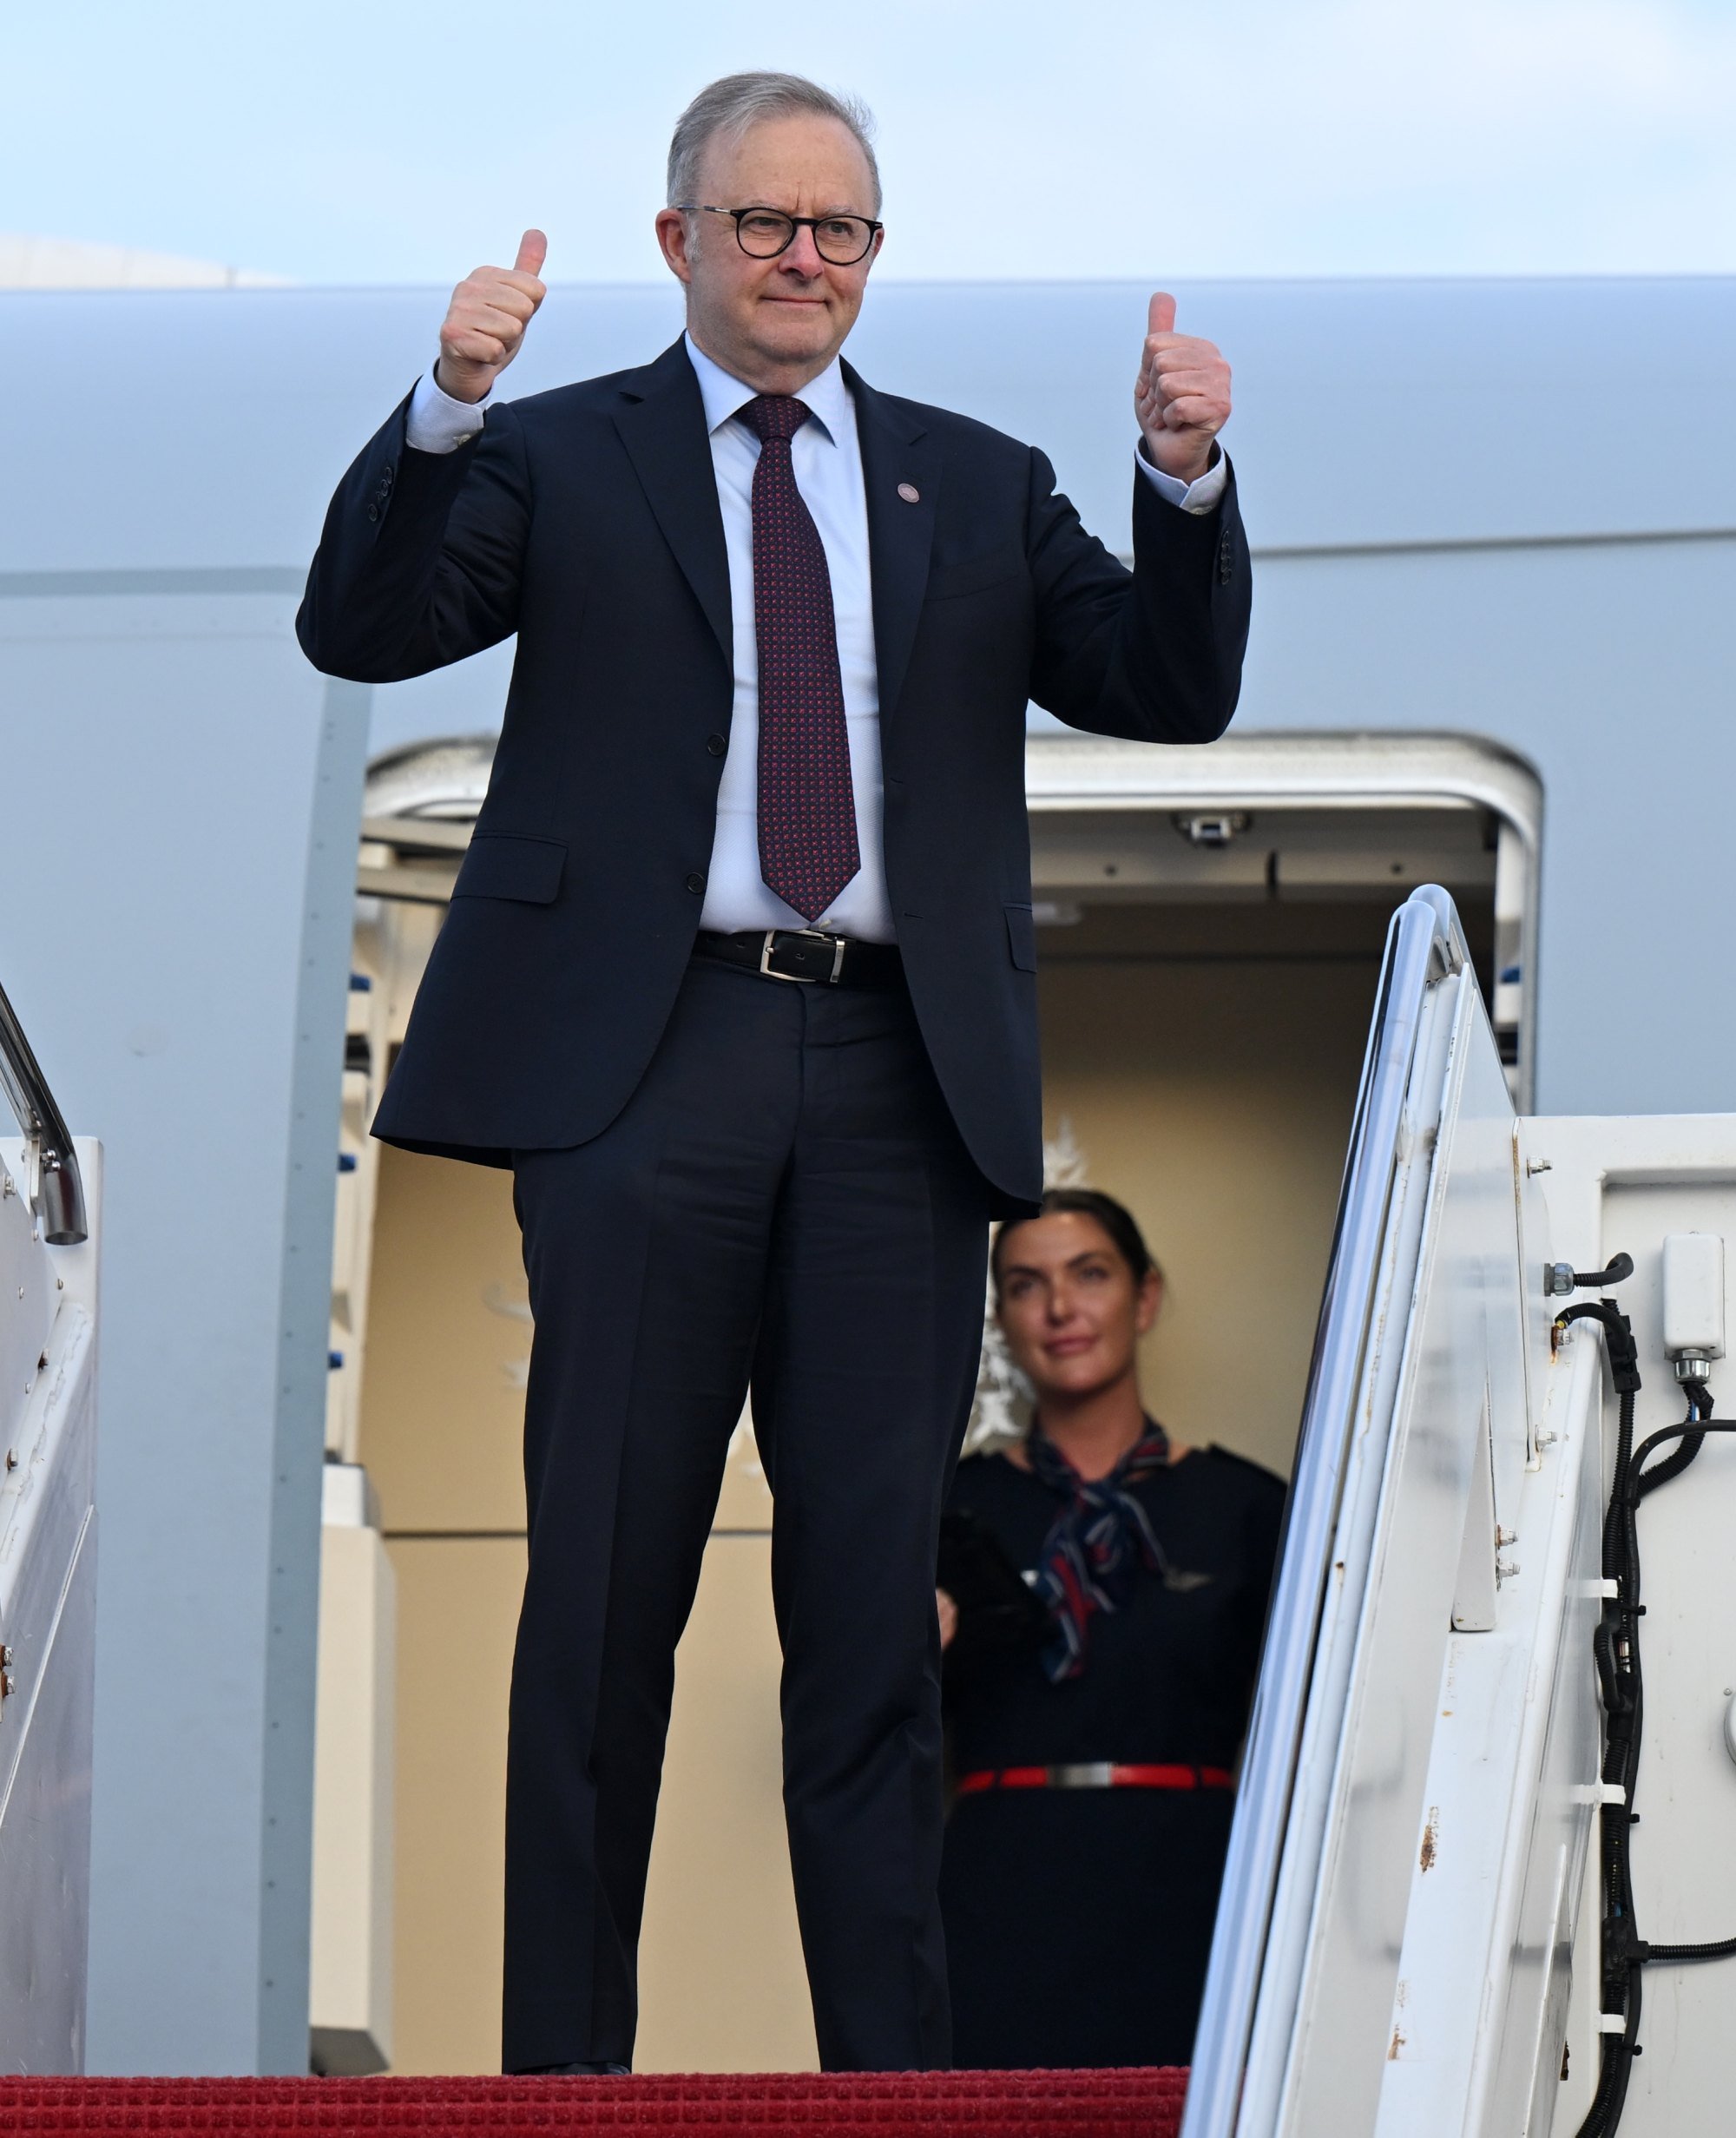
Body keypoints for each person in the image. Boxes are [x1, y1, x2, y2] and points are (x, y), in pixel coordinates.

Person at [297, 71, 1250, 2076]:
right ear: (678, 243)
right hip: (650, 1067)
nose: (804, 258)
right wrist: (446, 398)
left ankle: (887, 2088)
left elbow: (1166, 687)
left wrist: (1178, 476)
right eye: (763, 224)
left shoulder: (975, 482)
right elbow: (362, 620)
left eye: (840, 228)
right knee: (600, 1613)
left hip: (900, 1086)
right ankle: (564, 2075)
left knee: (867, 1635)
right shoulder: (557, 456)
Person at [937, 1188, 1285, 2069]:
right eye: (1024, 1285)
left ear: (1145, 1297)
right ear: (1001, 1319)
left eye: (1087, 1274)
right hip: (998, 1884)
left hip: (1198, 1884)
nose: (1059, 1309)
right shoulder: (950, 1509)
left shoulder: (1245, 1506)